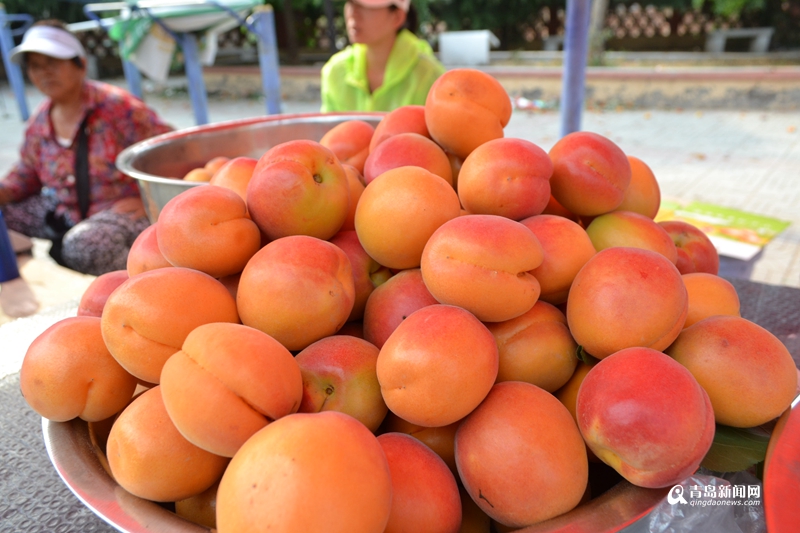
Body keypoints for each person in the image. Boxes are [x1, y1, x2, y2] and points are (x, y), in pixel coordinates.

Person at [0, 20, 173, 276]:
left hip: (119, 212)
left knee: (85, 246)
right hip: (65, 211)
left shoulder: (119, 108)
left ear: (80, 64)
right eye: (35, 66)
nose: (44, 73)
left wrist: (149, 199)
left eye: (53, 63)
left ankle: (154, 276)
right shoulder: (39, 121)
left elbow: (172, 151)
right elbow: (26, 176)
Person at [320, 0, 445, 112]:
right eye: (350, 3)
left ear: (398, 17)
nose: (353, 13)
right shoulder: (334, 72)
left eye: (367, 6)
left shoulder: (430, 76)